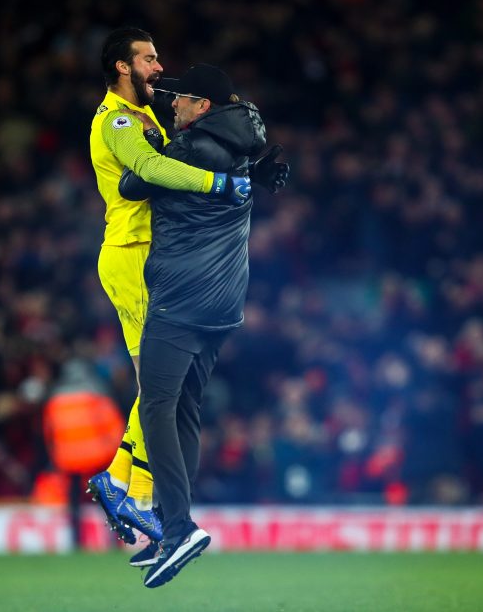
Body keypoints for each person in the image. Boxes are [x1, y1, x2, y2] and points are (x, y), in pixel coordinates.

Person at [85, 27, 253, 559]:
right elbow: (152, 169)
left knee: (163, 391)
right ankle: (122, 485)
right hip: (132, 252)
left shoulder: (148, 115)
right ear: (121, 67)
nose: (159, 68)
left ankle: (134, 493)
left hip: (152, 256)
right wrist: (220, 184)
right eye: (149, 59)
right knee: (157, 387)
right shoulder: (116, 120)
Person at [118, 63, 287, 588]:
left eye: (182, 99)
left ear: (204, 107)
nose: (173, 105)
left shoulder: (194, 150)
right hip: (223, 303)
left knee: (156, 406)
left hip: (181, 300)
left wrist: (152, 144)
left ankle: (177, 528)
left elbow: (132, 184)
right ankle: (175, 528)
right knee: (186, 409)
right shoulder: (242, 147)